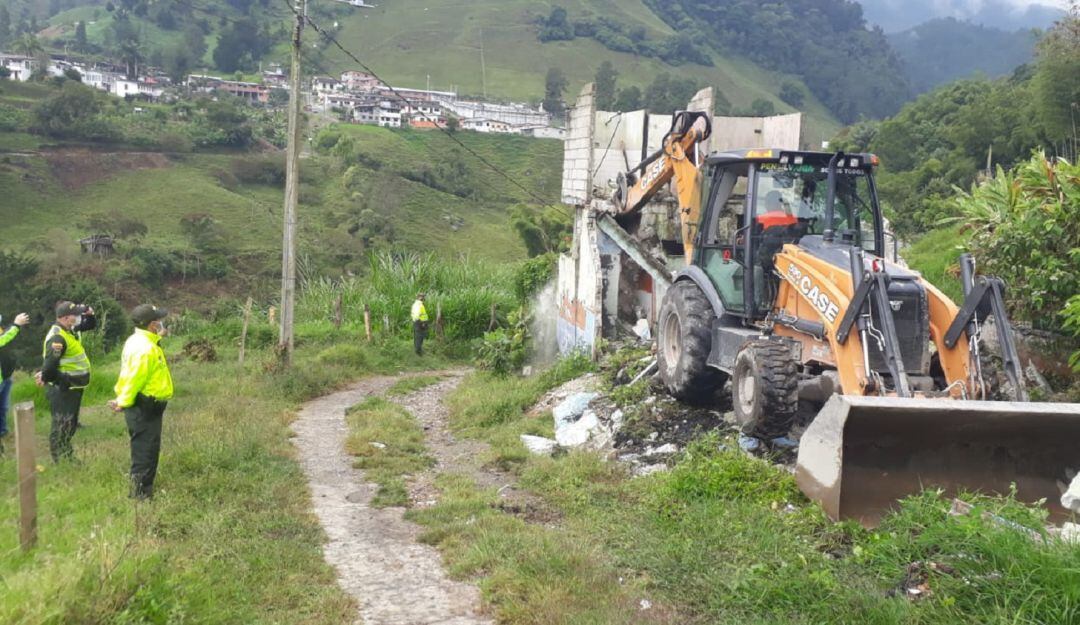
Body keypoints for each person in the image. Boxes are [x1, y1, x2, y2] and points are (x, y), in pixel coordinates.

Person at [108, 304, 173, 500]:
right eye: (158, 321)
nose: (162, 323)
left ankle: (145, 488)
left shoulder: (141, 340)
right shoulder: (144, 349)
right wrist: (123, 402)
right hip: (144, 405)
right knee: (144, 450)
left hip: (149, 405)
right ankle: (139, 495)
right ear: (152, 325)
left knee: (149, 446)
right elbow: (134, 378)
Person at [37, 302, 96, 462]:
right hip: (64, 388)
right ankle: (61, 459)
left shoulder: (69, 330)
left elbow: (89, 325)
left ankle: (66, 454)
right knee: (62, 424)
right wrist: (62, 381)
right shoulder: (58, 337)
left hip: (72, 387)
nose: (78, 317)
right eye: (75, 315)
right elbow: (49, 368)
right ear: (65, 317)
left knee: (69, 423)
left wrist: (89, 315)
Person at [0, 312, 31, 453]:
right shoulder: (6, 332)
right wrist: (16, 325)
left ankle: (3, 431)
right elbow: (4, 339)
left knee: (3, 408)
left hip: (6, 376)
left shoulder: (2, 328)